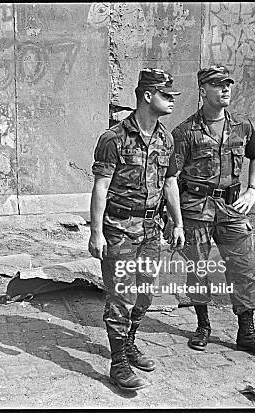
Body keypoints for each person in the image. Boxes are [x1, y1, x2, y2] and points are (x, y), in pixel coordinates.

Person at [171, 65, 255, 360]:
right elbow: (171, 177)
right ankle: (203, 325)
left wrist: (252, 190)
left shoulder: (242, 126)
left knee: (243, 268)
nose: (225, 89)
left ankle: (246, 332)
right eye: (218, 85)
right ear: (203, 91)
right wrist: (174, 219)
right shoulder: (184, 132)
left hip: (232, 208)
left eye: (228, 84)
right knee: (199, 269)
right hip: (196, 208)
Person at [88, 68, 185, 391]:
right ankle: (118, 365)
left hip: (151, 229)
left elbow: (170, 182)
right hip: (118, 228)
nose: (171, 101)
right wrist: (97, 232)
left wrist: (178, 222)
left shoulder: (165, 138)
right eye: (166, 95)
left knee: (145, 293)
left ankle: (129, 342)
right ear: (147, 96)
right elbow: (101, 187)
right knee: (120, 297)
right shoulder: (113, 138)